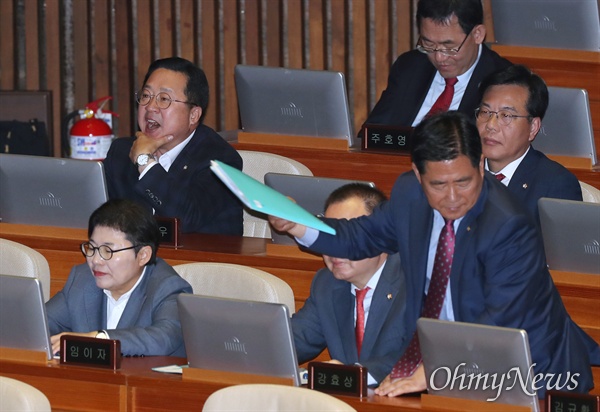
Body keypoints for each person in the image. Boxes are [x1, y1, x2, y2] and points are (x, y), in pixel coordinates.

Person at [271, 111, 597, 398]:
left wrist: (434, 370)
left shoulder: (509, 226)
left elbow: (498, 324)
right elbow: (361, 237)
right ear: (417, 175)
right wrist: (299, 224)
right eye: (438, 184)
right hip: (451, 366)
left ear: (481, 165)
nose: (453, 197)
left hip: (529, 374)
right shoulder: (409, 194)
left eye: (464, 181)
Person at [103, 57, 243, 235]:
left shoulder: (222, 161)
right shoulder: (121, 153)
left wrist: (145, 162)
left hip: (200, 261)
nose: (150, 107)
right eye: (146, 96)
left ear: (193, 115)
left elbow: (187, 219)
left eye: (164, 99)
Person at [291, 184, 408, 385]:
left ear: (379, 235)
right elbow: (294, 341)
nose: (333, 248)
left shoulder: (413, 281)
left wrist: (353, 376)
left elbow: (417, 355)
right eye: (327, 235)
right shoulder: (326, 284)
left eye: (345, 236)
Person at [46, 199, 192, 357]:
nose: (95, 260)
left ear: (143, 255)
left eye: (107, 251)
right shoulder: (82, 279)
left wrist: (100, 338)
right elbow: (41, 324)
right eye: (92, 248)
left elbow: (163, 338)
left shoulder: (168, 288)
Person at [363, 0, 511, 130]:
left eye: (449, 47)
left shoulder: (505, 82)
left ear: (477, 34)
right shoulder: (410, 67)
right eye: (428, 44)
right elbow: (373, 133)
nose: (439, 58)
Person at [476, 64, 582, 225]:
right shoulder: (460, 170)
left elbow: (559, 249)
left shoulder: (555, 185)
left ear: (533, 128)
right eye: (485, 112)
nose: (491, 125)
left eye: (506, 115)